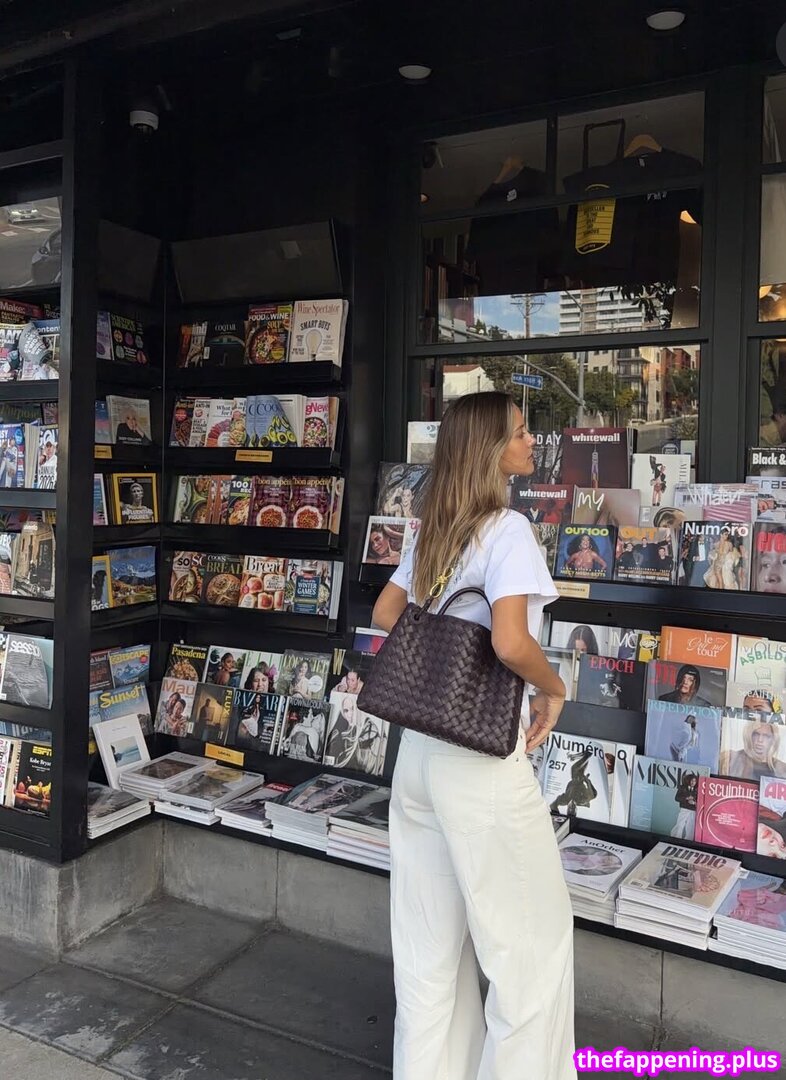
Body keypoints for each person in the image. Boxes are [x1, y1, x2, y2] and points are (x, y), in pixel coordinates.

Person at [371, 391, 574, 1080]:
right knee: (530, 955)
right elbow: (511, 643)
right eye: (519, 433)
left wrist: (443, 646)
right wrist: (553, 687)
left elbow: (387, 611)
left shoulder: (436, 527)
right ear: (490, 451)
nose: (530, 441)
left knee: (428, 958)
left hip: (418, 757)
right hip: (481, 763)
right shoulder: (507, 530)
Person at [719, 721, 786, 781]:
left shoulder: (782, 769)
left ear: (773, 740)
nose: (760, 740)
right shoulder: (731, 759)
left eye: (766, 736)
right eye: (756, 734)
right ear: (749, 736)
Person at [671, 772, 699, 838]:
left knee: (690, 826)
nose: (693, 782)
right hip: (684, 808)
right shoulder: (682, 787)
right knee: (680, 824)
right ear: (688, 780)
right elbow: (677, 798)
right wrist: (686, 798)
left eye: (694, 781)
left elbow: (699, 800)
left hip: (693, 810)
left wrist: (694, 803)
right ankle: (676, 838)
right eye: (692, 780)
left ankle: (688, 840)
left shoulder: (697, 789)